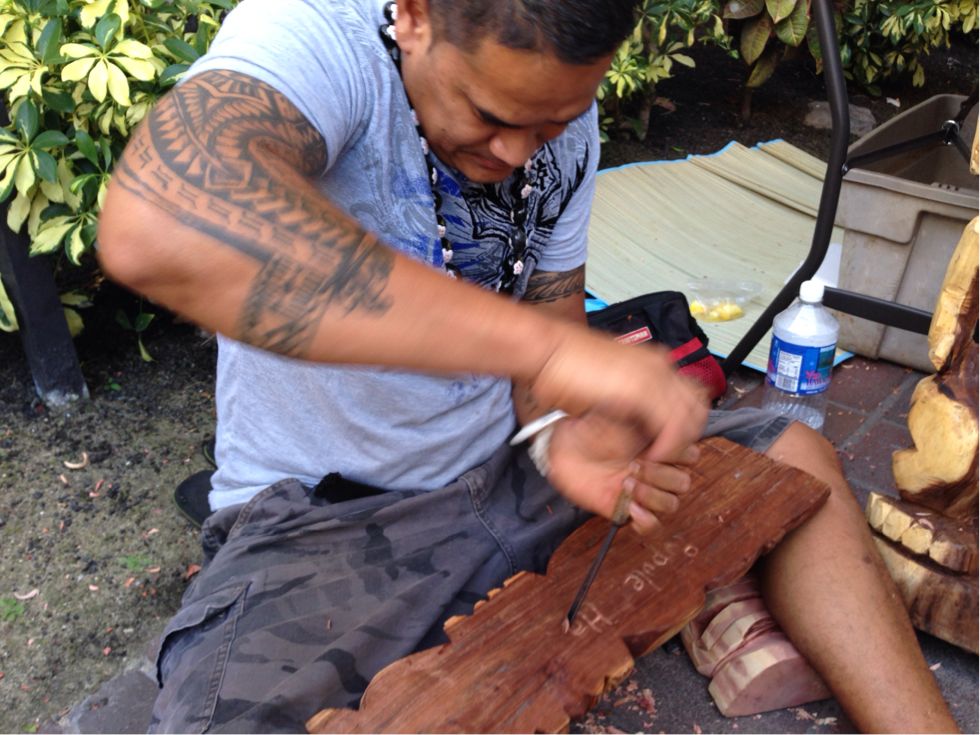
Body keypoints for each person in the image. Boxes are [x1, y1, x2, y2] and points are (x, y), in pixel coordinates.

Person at [96, 0, 958, 732]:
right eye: (490, 115)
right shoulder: (315, 36)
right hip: (326, 520)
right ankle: (708, 597)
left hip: (508, 472)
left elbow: (549, 309)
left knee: (793, 461)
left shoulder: (558, 108)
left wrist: (562, 426)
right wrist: (551, 352)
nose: (517, 152)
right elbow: (159, 222)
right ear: (415, 15)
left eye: (547, 126)